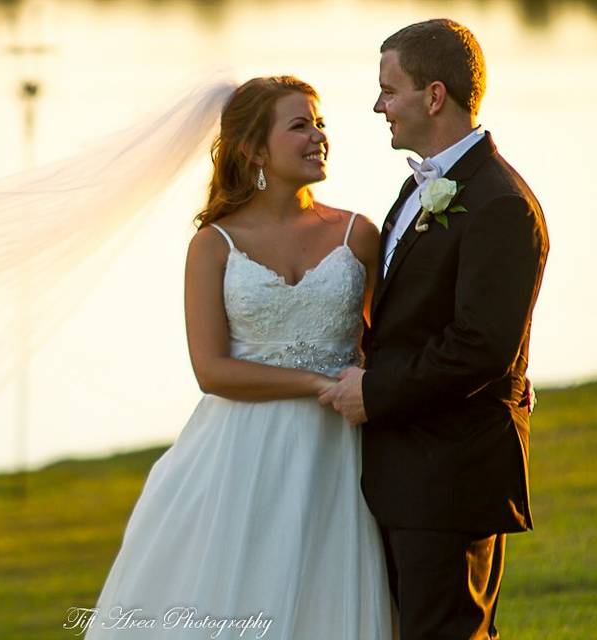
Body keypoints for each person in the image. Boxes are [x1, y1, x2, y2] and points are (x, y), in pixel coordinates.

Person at [78, 77, 392, 639]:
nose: (319, 137)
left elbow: (383, 344)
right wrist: (316, 384)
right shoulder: (213, 245)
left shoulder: (358, 234)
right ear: (253, 148)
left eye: (320, 124)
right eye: (300, 125)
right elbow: (212, 370)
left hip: (338, 451)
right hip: (238, 455)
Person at [321, 19, 550, 640]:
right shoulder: (420, 187)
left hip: (451, 476)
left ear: (434, 95)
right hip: (406, 472)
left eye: (388, 90)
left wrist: (374, 393)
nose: (378, 105)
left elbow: (482, 348)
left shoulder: (500, 203)